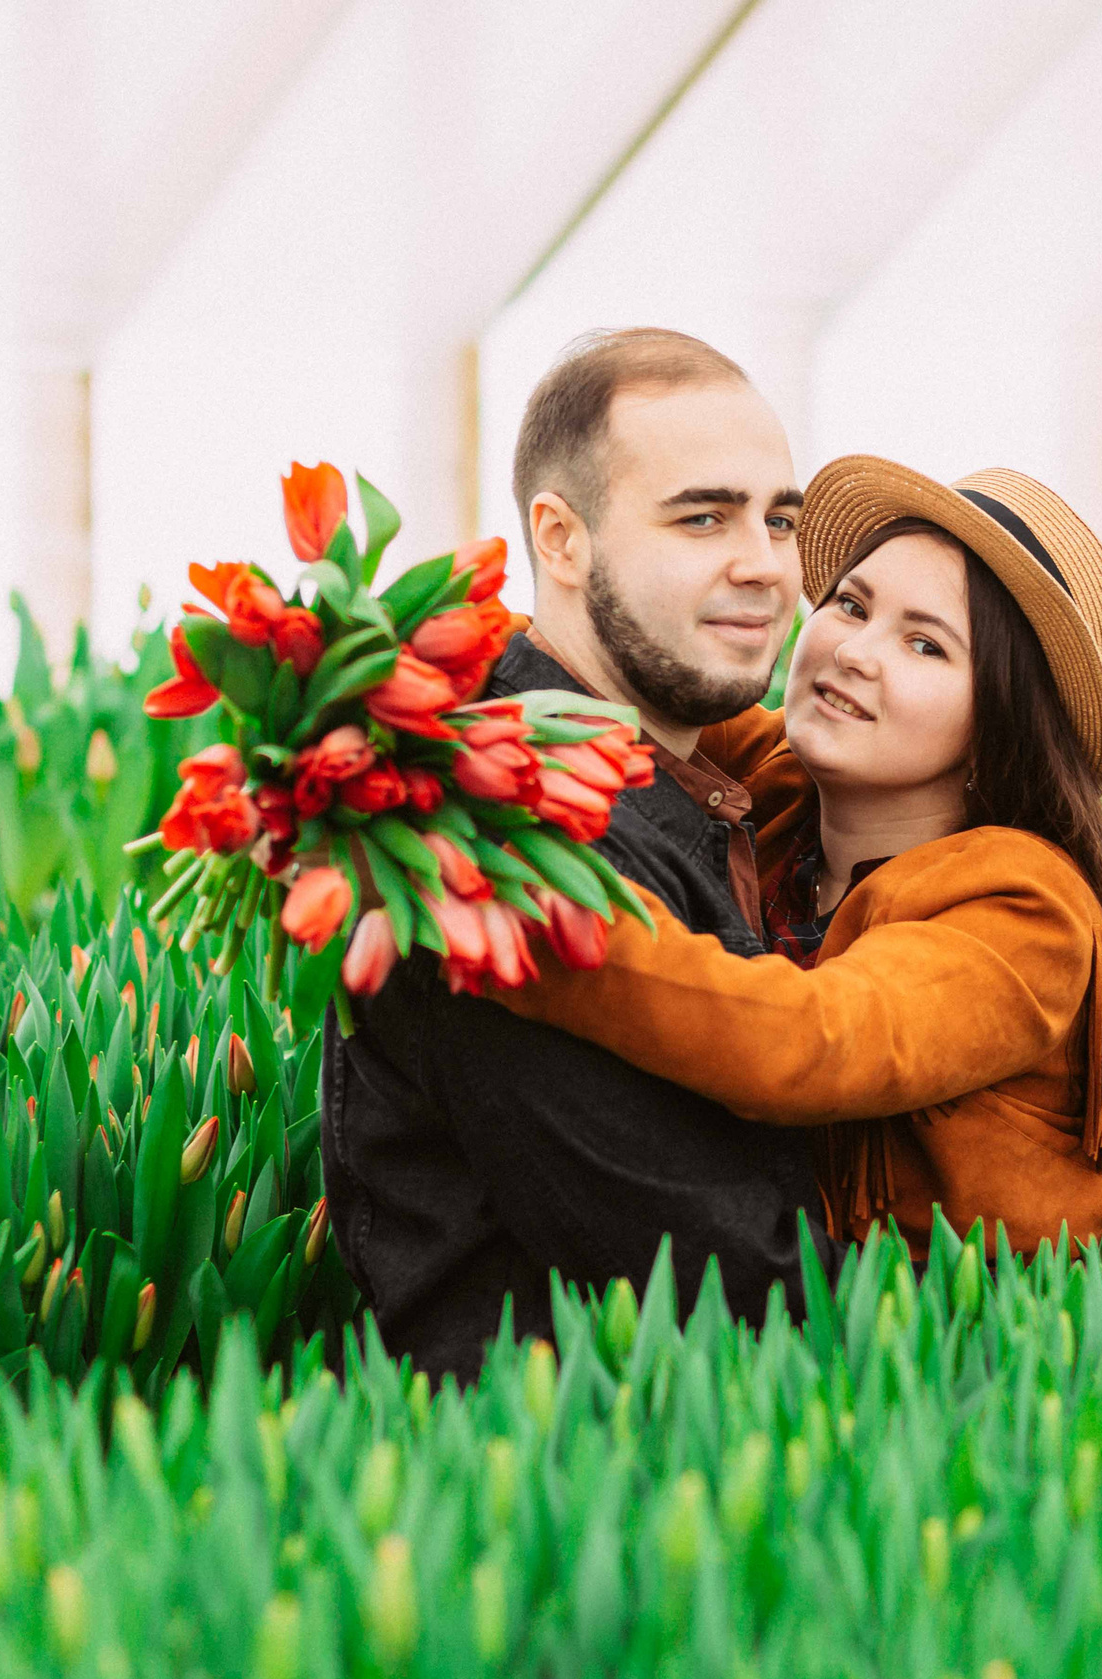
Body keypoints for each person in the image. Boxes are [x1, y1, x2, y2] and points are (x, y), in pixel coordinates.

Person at [487, 456, 1102, 1258]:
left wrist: (542, 925)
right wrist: (375, 664)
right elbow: (596, 672)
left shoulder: (1024, 909)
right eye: (851, 605)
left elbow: (809, 1041)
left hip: (941, 1342)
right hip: (762, 1276)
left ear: (999, 729)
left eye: (926, 645)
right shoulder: (782, 789)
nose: (857, 651)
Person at [319, 328, 831, 1382]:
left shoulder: (700, 782)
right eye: (702, 517)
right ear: (561, 539)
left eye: (780, 520)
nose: (764, 565)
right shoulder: (496, 837)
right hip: (544, 1481)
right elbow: (726, 1281)